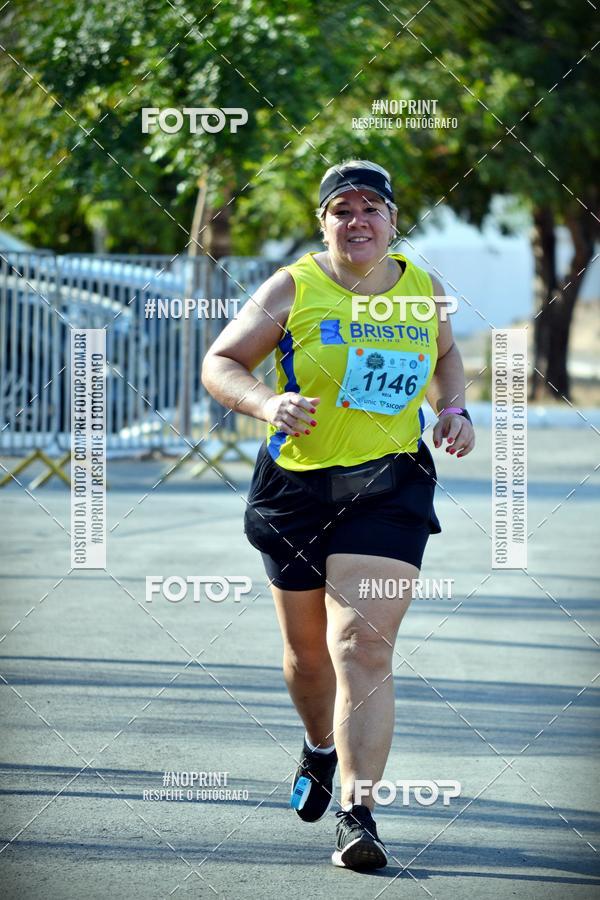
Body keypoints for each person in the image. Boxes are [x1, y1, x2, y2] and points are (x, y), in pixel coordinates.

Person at [201, 160, 475, 870]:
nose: (357, 221)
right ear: (323, 223)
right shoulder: (294, 286)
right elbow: (221, 361)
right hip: (296, 489)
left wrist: (453, 409)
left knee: (363, 647)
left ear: (392, 220)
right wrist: (267, 403)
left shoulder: (424, 287)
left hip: (390, 487)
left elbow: (447, 357)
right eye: (341, 210)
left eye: (371, 209)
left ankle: (359, 816)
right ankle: (319, 746)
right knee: (307, 658)